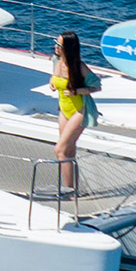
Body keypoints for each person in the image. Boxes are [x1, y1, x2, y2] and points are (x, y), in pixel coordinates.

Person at [49, 29, 94, 199]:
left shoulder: (79, 67)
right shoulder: (56, 60)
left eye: (59, 44)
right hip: (64, 109)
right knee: (69, 151)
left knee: (60, 149)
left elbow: (96, 86)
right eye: (56, 42)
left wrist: (77, 91)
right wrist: (52, 82)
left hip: (79, 110)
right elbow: (53, 76)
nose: (56, 46)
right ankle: (72, 187)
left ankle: (68, 191)